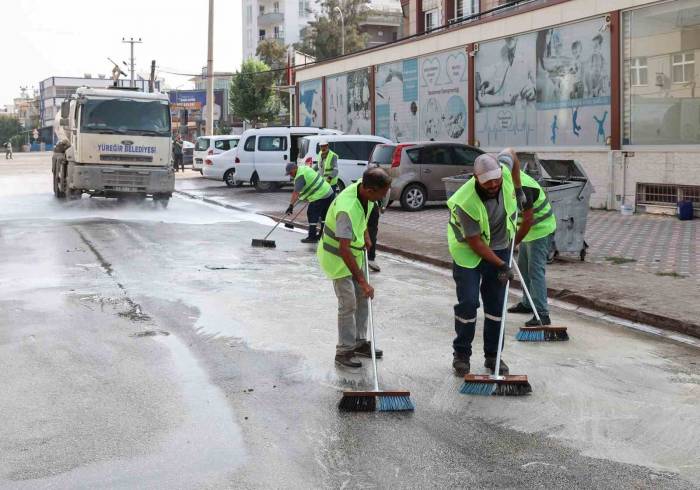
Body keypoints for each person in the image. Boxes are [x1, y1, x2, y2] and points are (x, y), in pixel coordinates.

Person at [446, 153, 533, 377]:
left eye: (497, 180)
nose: (494, 185)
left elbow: (512, 154)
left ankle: (493, 355)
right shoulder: (465, 202)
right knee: (468, 303)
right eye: (488, 182)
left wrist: (518, 187)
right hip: (469, 253)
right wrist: (502, 265)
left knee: (495, 306)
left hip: (500, 246)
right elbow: (475, 243)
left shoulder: (502, 171)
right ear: (476, 178)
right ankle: (461, 354)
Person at [317, 167, 392, 368]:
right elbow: (344, 249)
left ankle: (359, 343)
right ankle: (344, 351)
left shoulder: (364, 190)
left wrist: (366, 234)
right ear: (369, 190)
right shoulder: (346, 209)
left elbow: (364, 214)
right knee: (348, 303)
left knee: (362, 298)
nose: (383, 198)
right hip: (338, 257)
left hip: (354, 251)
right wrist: (363, 281)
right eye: (381, 194)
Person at [498, 150, 557, 327]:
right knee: (523, 267)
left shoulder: (524, 188)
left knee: (535, 270)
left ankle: (542, 314)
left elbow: (528, 220)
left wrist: (513, 242)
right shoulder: (501, 171)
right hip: (527, 231)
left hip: (540, 229)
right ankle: (527, 303)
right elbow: (509, 151)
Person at [285, 162, 335, 244]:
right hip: (329, 192)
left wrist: (291, 205)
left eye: (290, 173)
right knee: (324, 215)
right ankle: (322, 235)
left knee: (311, 214)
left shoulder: (299, 176)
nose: (290, 175)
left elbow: (296, 192)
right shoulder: (304, 168)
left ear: (295, 168)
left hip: (320, 195)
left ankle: (312, 237)